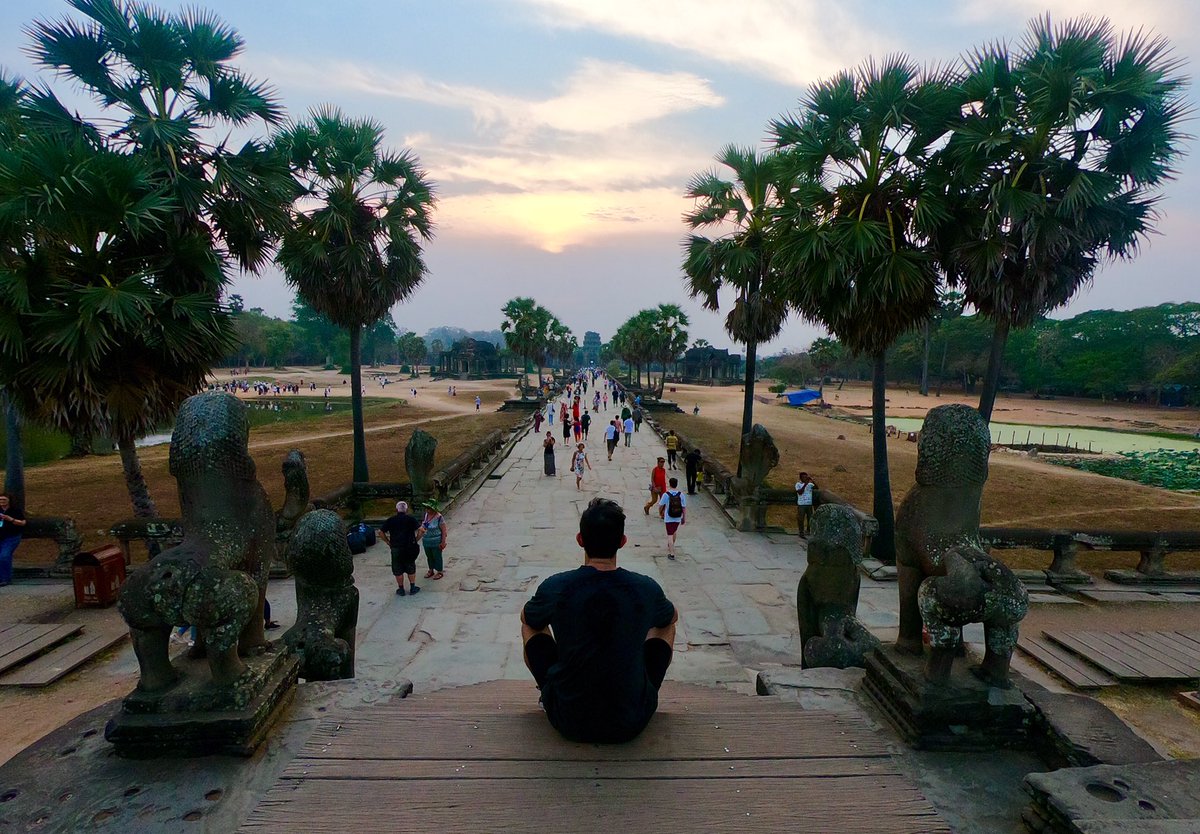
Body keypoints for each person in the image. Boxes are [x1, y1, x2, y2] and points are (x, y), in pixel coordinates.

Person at [520, 497, 678, 743]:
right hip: (631, 720)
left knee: (531, 625)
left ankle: (549, 691)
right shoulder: (645, 588)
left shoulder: (557, 586)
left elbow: (527, 617)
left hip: (569, 719)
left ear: (580, 539)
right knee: (665, 625)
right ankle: (639, 688)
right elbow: (671, 616)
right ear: (623, 542)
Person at [379, 501, 421, 596]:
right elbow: (421, 530)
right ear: (406, 510)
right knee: (410, 566)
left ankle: (401, 589)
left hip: (396, 547)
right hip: (409, 547)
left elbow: (380, 532)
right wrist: (416, 539)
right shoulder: (410, 519)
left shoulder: (391, 520)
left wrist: (388, 542)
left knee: (397, 568)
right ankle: (412, 587)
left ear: (396, 510)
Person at [0, 494, 27, 587]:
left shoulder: (15, 510)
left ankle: (5, 579)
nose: (2, 502)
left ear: (8, 501)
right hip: (0, 536)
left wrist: (10, 519)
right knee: (4, 557)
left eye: (4, 500)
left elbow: (23, 523)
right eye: (0, 500)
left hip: (12, 536)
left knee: (4, 555)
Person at [657, 477, 686, 560]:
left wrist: (660, 512)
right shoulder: (681, 495)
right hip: (677, 517)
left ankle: (671, 553)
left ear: (669, 484)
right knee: (674, 531)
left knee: (669, 534)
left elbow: (661, 505)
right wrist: (684, 517)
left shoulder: (666, 494)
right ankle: (671, 545)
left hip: (669, 517)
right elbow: (684, 507)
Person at [419, 500, 448, 580]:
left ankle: (439, 571)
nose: (427, 510)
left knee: (437, 556)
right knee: (429, 556)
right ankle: (431, 570)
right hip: (427, 540)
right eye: (426, 508)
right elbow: (423, 526)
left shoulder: (439, 517)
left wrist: (443, 542)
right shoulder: (426, 515)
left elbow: (444, 530)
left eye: (428, 508)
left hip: (436, 540)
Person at [795, 472, 815, 538]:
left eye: (806, 477)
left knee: (810, 518)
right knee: (801, 519)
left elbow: (817, 488)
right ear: (800, 478)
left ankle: (809, 530)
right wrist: (805, 484)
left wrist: (812, 481)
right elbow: (800, 492)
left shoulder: (810, 484)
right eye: (804, 477)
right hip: (801, 504)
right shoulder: (798, 484)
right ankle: (801, 532)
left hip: (809, 504)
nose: (805, 478)